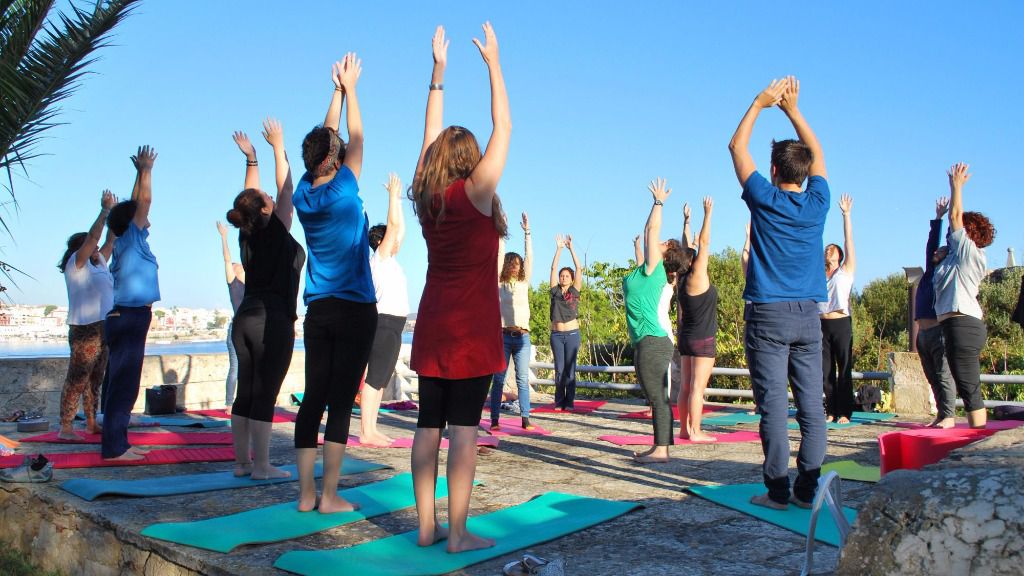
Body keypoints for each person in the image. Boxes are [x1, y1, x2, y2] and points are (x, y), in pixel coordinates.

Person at [408, 23, 510, 553]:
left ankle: (427, 528)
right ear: (469, 160)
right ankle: (458, 533)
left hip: (432, 323)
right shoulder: (475, 194)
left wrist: (438, 75)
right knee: (464, 429)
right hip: (470, 329)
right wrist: (493, 62)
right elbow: (505, 126)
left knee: (428, 425)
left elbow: (428, 141)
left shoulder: (429, 198)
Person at [729, 76, 829, 510]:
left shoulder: (764, 199)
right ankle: (808, 489)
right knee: (812, 405)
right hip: (809, 315)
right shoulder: (818, 202)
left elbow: (736, 147)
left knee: (773, 407)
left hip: (768, 315)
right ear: (804, 172)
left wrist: (758, 103)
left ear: (773, 171)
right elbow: (820, 153)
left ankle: (777, 492)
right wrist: (792, 110)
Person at [292, 53, 376, 513]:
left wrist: (336, 93)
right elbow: (356, 138)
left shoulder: (305, 193)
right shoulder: (344, 187)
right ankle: (328, 496)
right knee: (342, 401)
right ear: (333, 158)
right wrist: (353, 90)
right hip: (355, 307)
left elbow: (328, 142)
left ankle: (305, 496)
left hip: (318, 309)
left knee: (313, 400)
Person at [225, 119, 304, 480]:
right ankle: (262, 465)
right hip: (271, 319)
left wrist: (251, 160)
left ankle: (242, 463)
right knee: (266, 392)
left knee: (246, 390)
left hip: (243, 318)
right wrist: (277, 145)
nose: (273, 198)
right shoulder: (275, 229)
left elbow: (249, 201)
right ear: (266, 211)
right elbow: (286, 186)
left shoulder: (247, 233)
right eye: (268, 201)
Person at [102, 146, 159, 461]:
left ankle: (119, 442)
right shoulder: (131, 239)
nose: (146, 216)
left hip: (130, 316)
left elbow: (136, 204)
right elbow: (143, 202)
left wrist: (138, 173)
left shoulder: (128, 240)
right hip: (130, 316)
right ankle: (113, 448)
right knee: (123, 386)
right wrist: (147, 170)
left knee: (122, 384)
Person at [623, 178, 686, 463]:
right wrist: (640, 243)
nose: (655, 243)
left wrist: (658, 202)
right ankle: (660, 446)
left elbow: (651, 229)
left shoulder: (656, 268)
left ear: (666, 251)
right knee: (655, 396)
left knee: (658, 397)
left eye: (662, 243)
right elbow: (647, 236)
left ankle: (661, 450)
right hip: (646, 340)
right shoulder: (646, 271)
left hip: (653, 340)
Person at [933, 162, 995, 429]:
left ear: (968, 234)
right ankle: (976, 436)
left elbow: (956, 215)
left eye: (955, 230)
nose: (951, 232)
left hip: (964, 324)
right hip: (953, 325)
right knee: (965, 384)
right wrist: (939, 258)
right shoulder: (955, 257)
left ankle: (979, 442)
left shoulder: (971, 253)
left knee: (969, 388)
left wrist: (956, 186)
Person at [57, 190, 116, 440]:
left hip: (104, 327)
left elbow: (111, 239)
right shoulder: (76, 266)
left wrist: (116, 213)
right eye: (89, 247)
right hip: (85, 328)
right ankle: (66, 427)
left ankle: (91, 422)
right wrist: (103, 211)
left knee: (96, 378)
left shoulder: (99, 263)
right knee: (78, 378)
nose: (95, 249)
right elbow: (95, 236)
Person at [362, 172, 410, 446]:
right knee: (374, 378)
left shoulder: (389, 260)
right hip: (383, 323)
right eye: (391, 240)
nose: (397, 242)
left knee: (380, 379)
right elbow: (394, 227)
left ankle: (373, 427)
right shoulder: (379, 258)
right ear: (382, 242)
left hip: (394, 324)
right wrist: (392, 197)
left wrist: (399, 201)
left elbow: (399, 229)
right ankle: (366, 431)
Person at [677, 196, 718, 442]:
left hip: (686, 339)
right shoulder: (698, 276)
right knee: (697, 389)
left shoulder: (683, 280)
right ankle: (696, 431)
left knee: (685, 387)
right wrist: (708, 214)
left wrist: (686, 222)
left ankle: (683, 429)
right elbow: (703, 242)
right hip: (703, 339)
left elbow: (687, 247)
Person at [490, 212, 533, 430]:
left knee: (522, 379)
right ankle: (495, 419)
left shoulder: (524, 282)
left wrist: (527, 232)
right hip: (503, 336)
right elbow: (498, 255)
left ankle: (525, 419)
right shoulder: (499, 282)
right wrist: (501, 233)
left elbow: (530, 256)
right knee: (498, 379)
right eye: (513, 264)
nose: (516, 267)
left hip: (523, 337)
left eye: (519, 264)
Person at [916, 197, 956, 428]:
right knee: (932, 376)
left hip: (939, 330)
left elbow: (950, 243)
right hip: (923, 332)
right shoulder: (931, 270)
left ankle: (949, 415)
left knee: (943, 374)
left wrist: (949, 220)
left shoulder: (946, 271)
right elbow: (931, 244)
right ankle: (941, 414)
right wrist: (937, 218)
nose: (937, 251)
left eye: (942, 250)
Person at [819, 194, 857, 424]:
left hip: (841, 323)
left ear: (839, 255)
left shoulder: (846, 271)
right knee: (825, 371)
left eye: (831, 249)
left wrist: (846, 215)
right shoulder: (818, 273)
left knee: (844, 368)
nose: (828, 250)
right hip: (821, 323)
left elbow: (848, 240)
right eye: (826, 248)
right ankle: (830, 409)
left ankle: (844, 412)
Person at [549, 234, 583, 411]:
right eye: (562, 276)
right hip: (556, 335)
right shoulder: (554, 291)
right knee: (559, 370)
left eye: (566, 276)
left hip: (572, 335)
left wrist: (571, 249)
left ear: (571, 279)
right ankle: (559, 400)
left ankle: (569, 402)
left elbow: (579, 268)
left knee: (570, 370)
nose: (563, 278)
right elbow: (553, 267)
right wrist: (559, 249)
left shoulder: (574, 291)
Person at [216, 221, 246, 409]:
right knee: (235, 368)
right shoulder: (234, 284)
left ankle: (246, 402)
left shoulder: (252, 285)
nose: (239, 264)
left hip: (250, 328)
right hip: (236, 328)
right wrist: (224, 237)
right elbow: (227, 259)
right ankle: (229, 403)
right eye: (237, 265)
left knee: (249, 369)